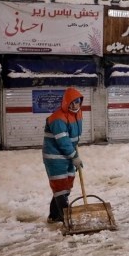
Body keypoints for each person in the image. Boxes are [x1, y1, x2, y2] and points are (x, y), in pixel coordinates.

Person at [42, 87, 84, 223]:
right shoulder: (57, 118)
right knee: (60, 188)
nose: (74, 105)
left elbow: (73, 139)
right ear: (65, 102)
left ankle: (54, 216)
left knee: (66, 187)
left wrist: (74, 155)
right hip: (55, 157)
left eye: (77, 102)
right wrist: (74, 156)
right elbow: (63, 141)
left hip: (68, 155)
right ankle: (67, 220)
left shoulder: (78, 114)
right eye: (70, 102)